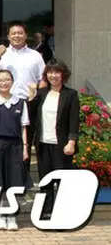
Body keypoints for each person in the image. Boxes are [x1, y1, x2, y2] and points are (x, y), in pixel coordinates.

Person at [0, 22, 45, 183]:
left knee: (28, 142)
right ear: (8, 36)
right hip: (7, 103)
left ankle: (24, 182)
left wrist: (36, 94)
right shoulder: (3, 54)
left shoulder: (35, 56)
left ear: (26, 35)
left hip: (29, 102)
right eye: (13, 33)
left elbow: (43, 79)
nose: (17, 36)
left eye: (20, 33)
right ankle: (9, 182)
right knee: (10, 144)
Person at [28, 59, 80, 220]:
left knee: (62, 179)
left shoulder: (70, 94)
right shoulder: (42, 93)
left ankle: (64, 210)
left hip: (62, 144)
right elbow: (31, 117)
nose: (53, 75)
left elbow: (74, 120)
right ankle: (47, 209)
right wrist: (31, 97)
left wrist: (71, 141)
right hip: (43, 143)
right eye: (50, 72)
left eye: (57, 72)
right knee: (45, 178)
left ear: (63, 74)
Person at [0, 69, 30, 231]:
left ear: (12, 82)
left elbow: (24, 127)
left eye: (7, 79)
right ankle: (0, 215)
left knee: (14, 180)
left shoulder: (21, 102)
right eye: (0, 80)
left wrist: (25, 148)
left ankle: (12, 216)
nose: (3, 82)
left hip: (15, 145)